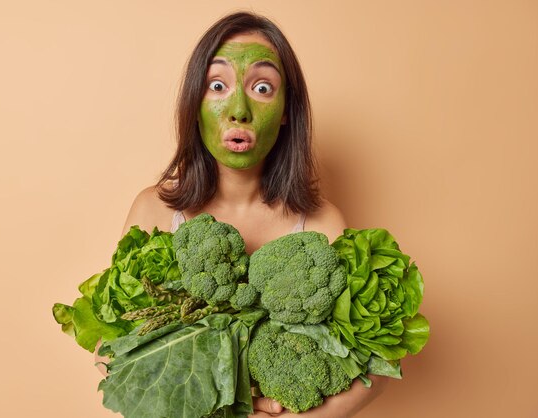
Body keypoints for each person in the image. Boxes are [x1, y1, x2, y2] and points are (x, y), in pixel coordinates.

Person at [96, 12, 389, 417]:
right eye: (217, 86)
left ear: (287, 111)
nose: (239, 109)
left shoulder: (322, 225)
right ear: (195, 105)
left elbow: (380, 358)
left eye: (263, 87)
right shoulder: (155, 210)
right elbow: (109, 342)